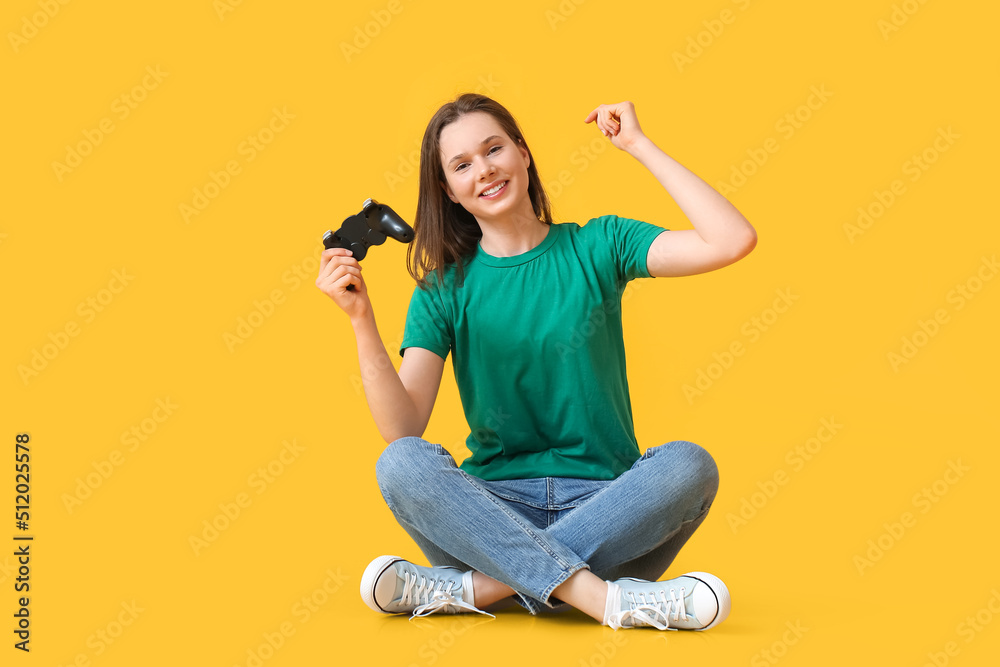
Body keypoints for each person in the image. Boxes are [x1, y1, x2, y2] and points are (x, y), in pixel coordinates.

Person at [315, 93, 757, 631]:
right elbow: (401, 426)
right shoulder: (443, 290)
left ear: (523, 155)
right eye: (462, 165)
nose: (485, 170)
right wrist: (361, 319)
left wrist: (639, 146)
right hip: (487, 515)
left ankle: (477, 590)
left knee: (690, 465)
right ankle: (608, 602)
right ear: (450, 192)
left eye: (493, 148)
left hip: (608, 514)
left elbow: (732, 240)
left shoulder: (600, 244)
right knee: (401, 462)